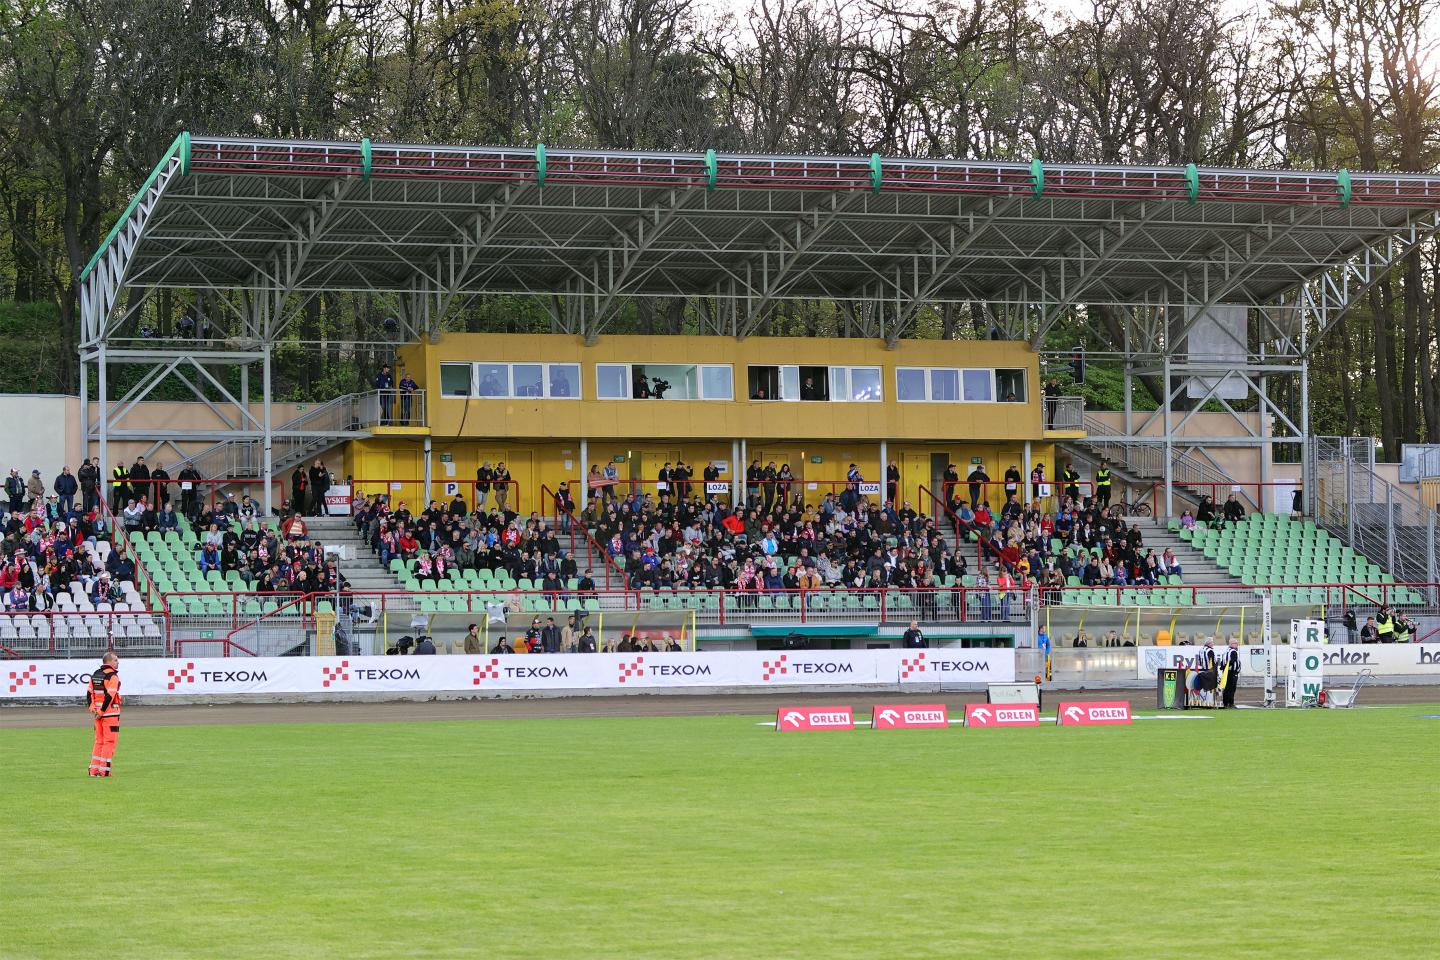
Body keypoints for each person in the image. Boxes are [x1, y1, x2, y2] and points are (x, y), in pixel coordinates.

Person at [86, 652, 122, 777]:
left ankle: (93, 770)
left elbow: (89, 693)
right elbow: (110, 697)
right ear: (109, 662)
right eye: (116, 660)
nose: (118, 662)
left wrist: (93, 709)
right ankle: (104, 771)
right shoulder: (113, 677)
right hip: (109, 714)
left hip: (97, 714)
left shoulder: (95, 675)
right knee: (109, 742)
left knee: (99, 741)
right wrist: (101, 712)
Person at [1219, 638, 1241, 708]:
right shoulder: (1233, 651)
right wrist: (1228, 667)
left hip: (1226, 673)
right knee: (1231, 689)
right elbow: (1232, 661)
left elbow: (1222, 662)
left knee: (1227, 688)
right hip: (1232, 673)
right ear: (1231, 644)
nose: (1237, 645)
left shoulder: (1226, 651)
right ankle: (1231, 703)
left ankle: (1225, 703)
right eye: (1236, 643)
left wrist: (1224, 668)